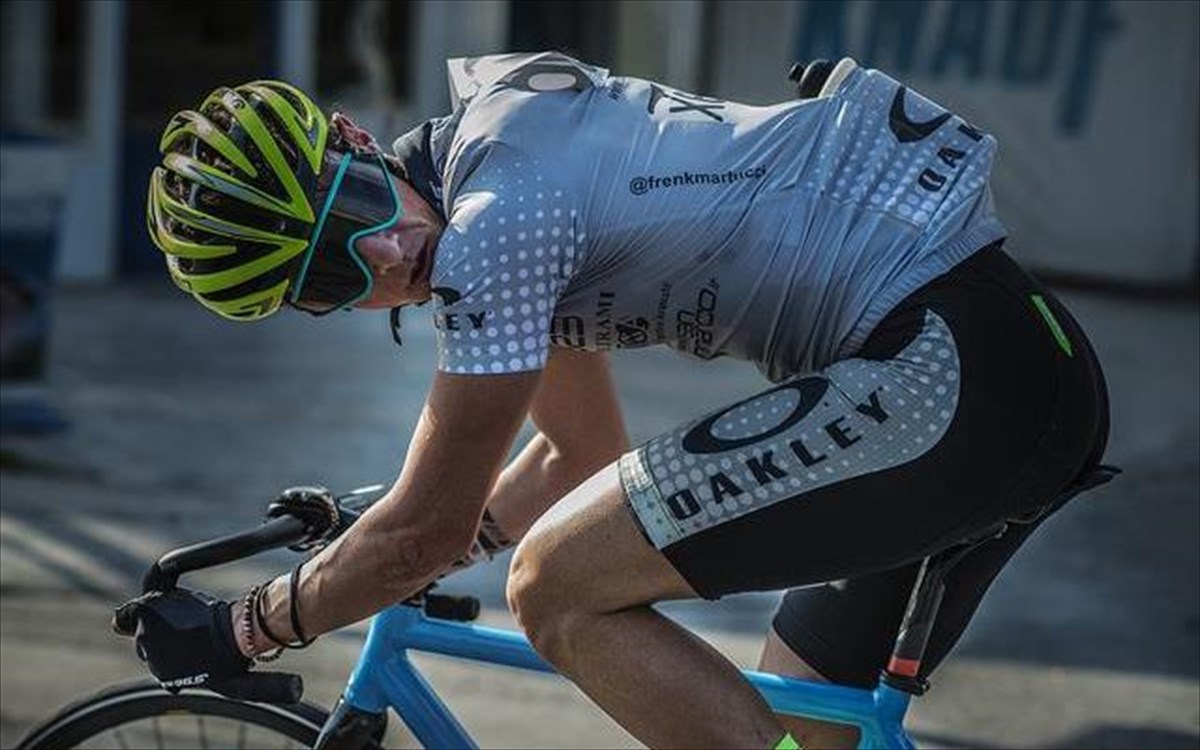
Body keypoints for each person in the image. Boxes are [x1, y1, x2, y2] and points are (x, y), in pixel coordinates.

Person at [125, 53, 1109, 749]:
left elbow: (424, 531)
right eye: (335, 276)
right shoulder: (494, 143)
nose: (383, 255)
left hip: (948, 371)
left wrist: (247, 626)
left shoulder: (496, 220)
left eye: (352, 209)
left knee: (554, 585)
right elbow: (576, 455)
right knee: (797, 728)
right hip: (987, 371)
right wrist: (384, 542)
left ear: (354, 137)